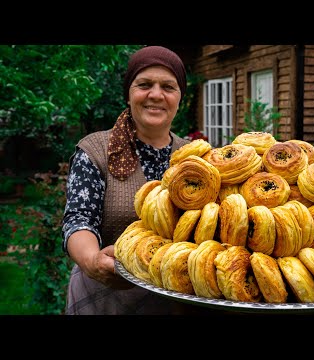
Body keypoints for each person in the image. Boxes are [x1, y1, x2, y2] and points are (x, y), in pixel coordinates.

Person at [62, 45, 209, 315]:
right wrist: (93, 260)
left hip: (176, 302)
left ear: (180, 98)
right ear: (128, 94)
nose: (155, 94)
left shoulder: (196, 159)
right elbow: (78, 220)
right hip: (106, 298)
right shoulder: (95, 150)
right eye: (144, 85)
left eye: (168, 86)